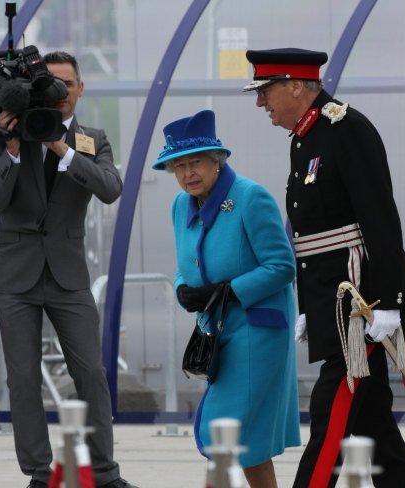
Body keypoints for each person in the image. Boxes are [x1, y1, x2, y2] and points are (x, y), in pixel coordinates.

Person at [243, 47, 405, 487]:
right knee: (373, 427)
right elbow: (311, 237)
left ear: (295, 85)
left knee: (332, 415)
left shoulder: (347, 129)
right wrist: (309, 305)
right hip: (335, 299)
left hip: (362, 304)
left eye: (265, 91)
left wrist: (387, 305)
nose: (260, 103)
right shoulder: (305, 137)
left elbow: (379, 219)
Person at [0, 51, 138, 488]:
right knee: (24, 377)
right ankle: (41, 473)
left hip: (68, 275)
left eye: (68, 84)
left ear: (81, 89)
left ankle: (103, 473)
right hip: (16, 276)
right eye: (52, 84)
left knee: (90, 372)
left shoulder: (93, 138)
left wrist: (61, 148)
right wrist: (12, 150)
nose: (61, 93)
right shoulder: (9, 134)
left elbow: (110, 188)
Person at [152, 109, 301, 488]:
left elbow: (283, 266)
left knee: (224, 434)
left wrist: (228, 291)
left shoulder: (250, 197)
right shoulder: (179, 206)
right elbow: (188, 263)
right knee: (247, 445)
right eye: (179, 166)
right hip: (216, 333)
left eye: (196, 161)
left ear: (216, 160)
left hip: (257, 332)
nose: (188, 173)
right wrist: (182, 286)